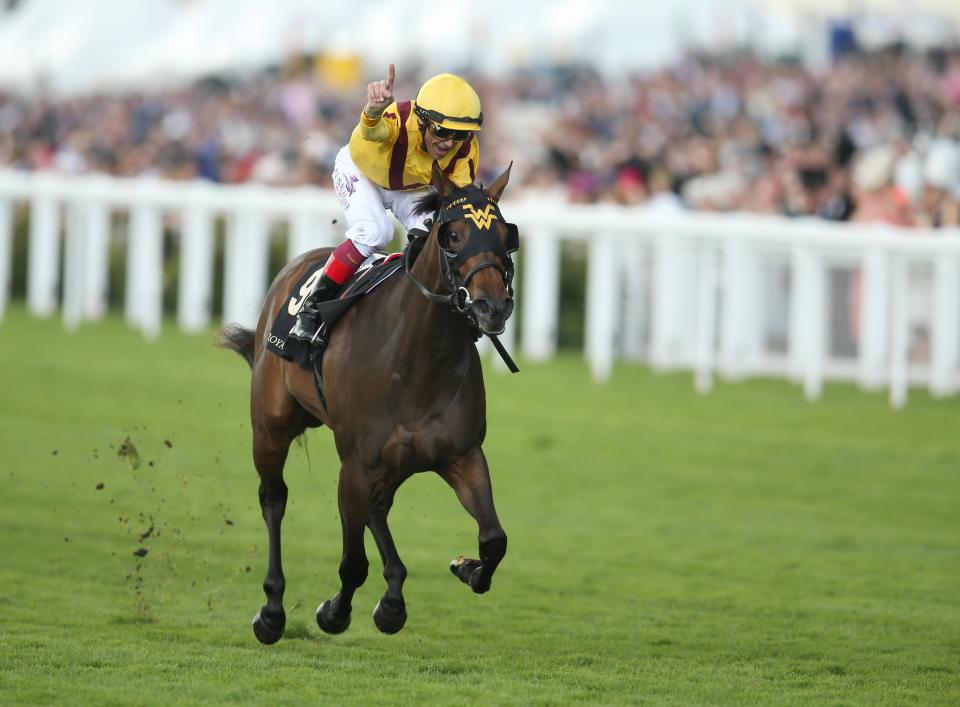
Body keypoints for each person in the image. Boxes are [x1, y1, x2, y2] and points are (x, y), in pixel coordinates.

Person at [288, 64, 482, 341]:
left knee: (438, 237)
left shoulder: (465, 151)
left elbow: (456, 200)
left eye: (459, 134)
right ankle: (311, 311)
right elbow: (373, 131)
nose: (449, 142)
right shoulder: (400, 118)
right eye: (441, 131)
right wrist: (375, 110)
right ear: (424, 120)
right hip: (361, 171)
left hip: (408, 186)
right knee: (375, 232)